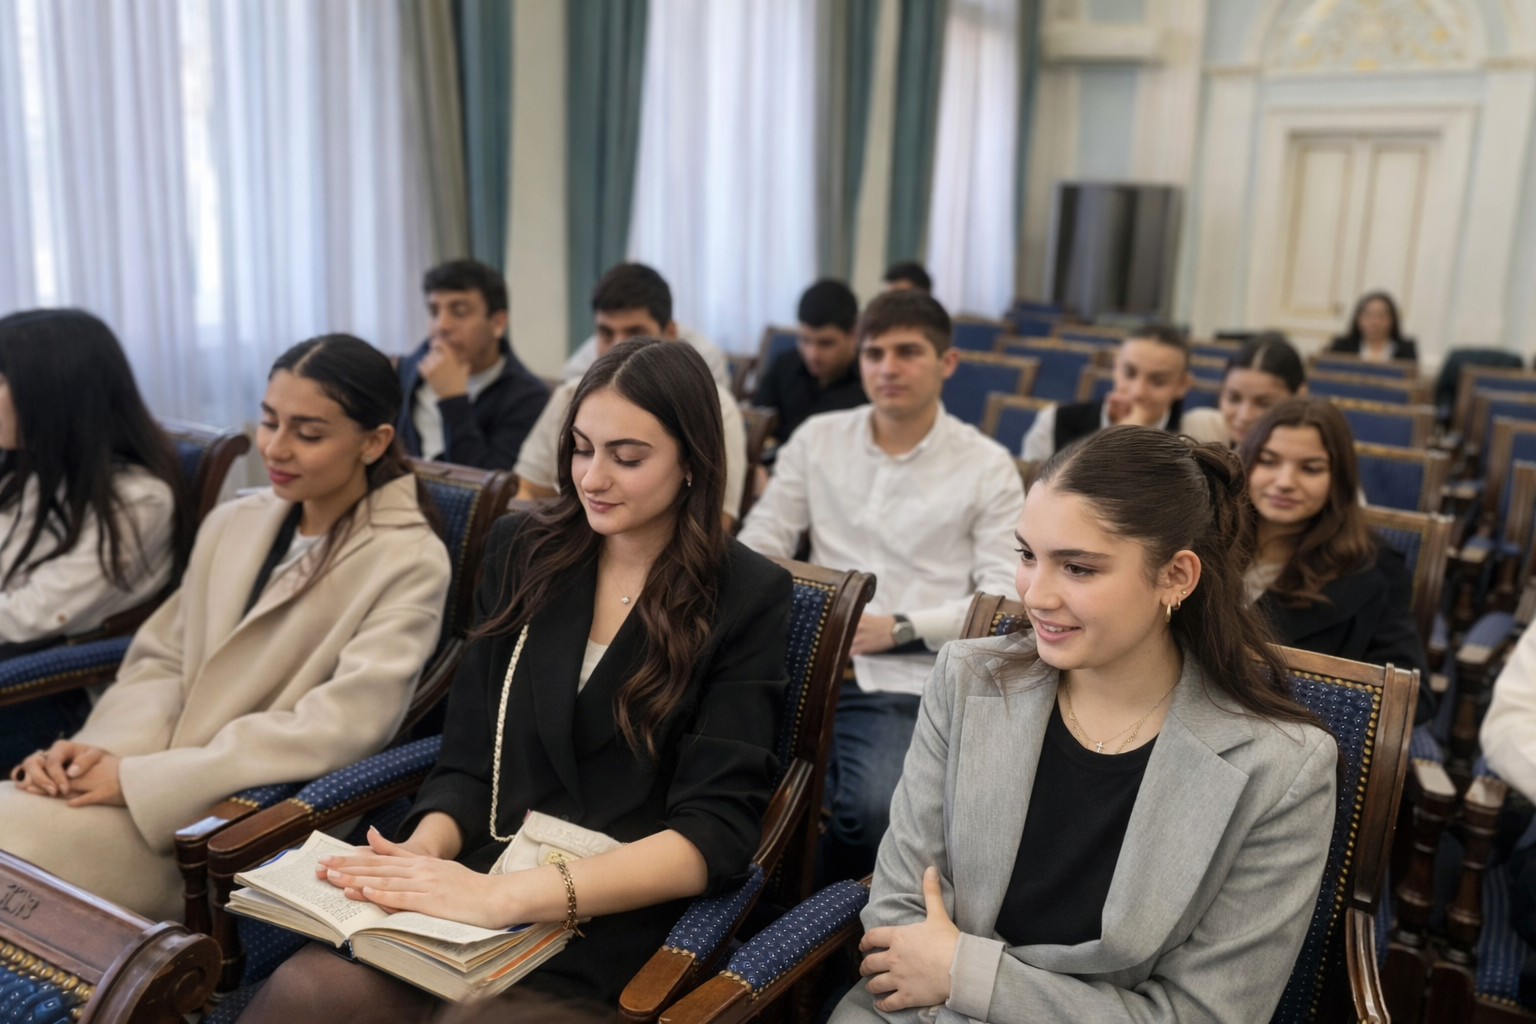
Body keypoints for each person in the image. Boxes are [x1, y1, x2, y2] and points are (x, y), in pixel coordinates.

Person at [239, 339, 792, 1023]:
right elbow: (469, 760)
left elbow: (713, 833)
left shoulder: (747, 594)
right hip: (482, 866)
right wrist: (421, 853)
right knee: (310, 989)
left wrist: (500, 897)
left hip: (611, 909)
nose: (592, 478)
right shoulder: (525, 548)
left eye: (627, 458)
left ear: (692, 463)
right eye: (581, 449)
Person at [831, 426, 1337, 1024]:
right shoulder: (967, 679)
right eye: (1027, 555)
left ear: (1176, 576)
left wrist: (966, 975)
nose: (1036, 595)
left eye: (1077, 568)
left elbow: (1203, 1014)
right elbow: (899, 911)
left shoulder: (1281, 769)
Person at [0, 335, 452, 921]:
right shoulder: (234, 520)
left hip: (227, 818)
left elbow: (337, 728)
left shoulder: (408, 559)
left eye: (308, 434)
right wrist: (101, 753)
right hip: (147, 778)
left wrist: (145, 782)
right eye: (269, 421)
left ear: (375, 441)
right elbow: (164, 658)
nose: (276, 448)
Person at [739, 290, 1023, 883]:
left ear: (947, 363)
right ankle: (758, 908)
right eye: (873, 354)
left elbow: (1003, 600)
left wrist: (896, 628)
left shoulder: (986, 463)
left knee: (871, 815)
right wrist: (814, 615)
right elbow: (762, 541)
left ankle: (827, 923)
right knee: (724, 781)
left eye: (907, 352)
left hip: (904, 676)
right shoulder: (818, 438)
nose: (887, 368)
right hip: (800, 660)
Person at [0, 310, 192, 770]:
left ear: (55, 393)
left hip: (52, 689)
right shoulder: (28, 469)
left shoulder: (136, 500)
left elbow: (32, 616)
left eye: (3, 379)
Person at [1240, 397, 1433, 722]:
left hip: (1289, 733)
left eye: (1310, 468)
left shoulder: (1374, 567)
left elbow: (1411, 698)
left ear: (1338, 479)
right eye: (1268, 461)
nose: (1284, 482)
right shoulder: (1201, 541)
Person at [517, 264, 748, 526]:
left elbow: (716, 520)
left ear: (670, 333)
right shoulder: (570, 395)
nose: (619, 346)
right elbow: (527, 487)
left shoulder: (712, 407)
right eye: (582, 449)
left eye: (629, 458)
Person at [396, 259, 550, 469]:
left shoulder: (528, 398)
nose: (441, 325)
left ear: (498, 323)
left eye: (459, 312)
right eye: (434, 312)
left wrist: (453, 400)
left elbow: (486, 485)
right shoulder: (405, 372)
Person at [1021, 324, 1193, 461]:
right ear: (1115, 366)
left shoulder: (1190, 443)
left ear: (1182, 385)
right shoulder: (1054, 422)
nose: (1138, 392)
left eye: (1158, 381)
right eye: (1129, 373)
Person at [559, 264, 731, 389]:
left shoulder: (705, 361)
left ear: (670, 333)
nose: (618, 348)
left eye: (635, 333)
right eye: (606, 332)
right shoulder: (580, 369)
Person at [751, 279, 867, 446]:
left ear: (853, 335)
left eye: (826, 343)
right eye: (804, 340)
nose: (812, 355)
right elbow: (756, 421)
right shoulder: (784, 364)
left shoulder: (870, 380)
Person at [1181, 332, 1307, 448]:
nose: (1244, 416)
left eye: (1264, 404)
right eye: (1233, 399)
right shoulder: (1201, 430)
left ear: (1299, 396)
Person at [1328, 291, 1418, 363]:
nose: (1375, 322)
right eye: (1368, 315)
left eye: (1382, 316)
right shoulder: (1342, 346)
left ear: (1392, 320)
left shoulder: (1406, 350)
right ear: (1358, 318)